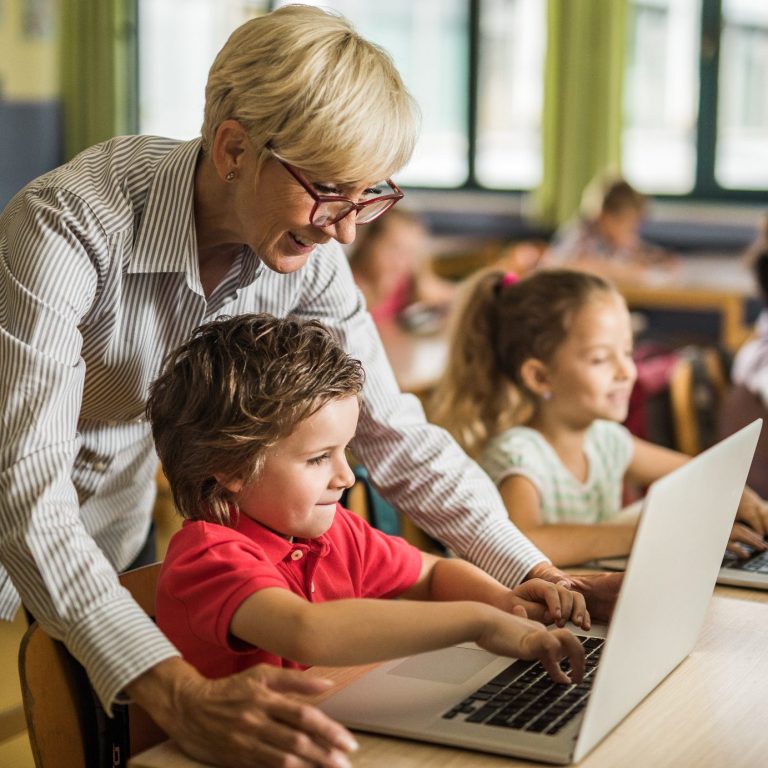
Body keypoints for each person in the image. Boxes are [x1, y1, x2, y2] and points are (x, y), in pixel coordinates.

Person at [0, 6, 617, 766]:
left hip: (117, 516)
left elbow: (394, 432)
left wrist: (534, 575)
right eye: (329, 190)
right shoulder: (67, 225)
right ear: (233, 148)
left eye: (369, 196)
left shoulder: (306, 249)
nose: (349, 231)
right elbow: (26, 487)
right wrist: (173, 689)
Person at [149, 313, 587, 684]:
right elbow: (309, 632)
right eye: (319, 458)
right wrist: (481, 621)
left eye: (346, 450)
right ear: (230, 468)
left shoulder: (335, 531)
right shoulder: (208, 557)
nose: (345, 476)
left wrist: (505, 604)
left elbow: (432, 575)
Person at [429, 268, 768, 567]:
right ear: (540, 377)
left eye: (626, 352)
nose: (627, 371)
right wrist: (644, 534)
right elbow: (526, 540)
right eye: (600, 359)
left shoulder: (605, 439)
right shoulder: (518, 454)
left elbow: (698, 475)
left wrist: (741, 496)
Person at [547, 172, 676, 283]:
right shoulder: (581, 235)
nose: (631, 232)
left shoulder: (611, 240)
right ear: (606, 217)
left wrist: (654, 259)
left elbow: (638, 254)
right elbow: (562, 268)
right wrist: (621, 271)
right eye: (628, 226)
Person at [348, 207, 455, 327]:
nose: (400, 262)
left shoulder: (404, 283)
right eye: (393, 248)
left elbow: (456, 298)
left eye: (410, 252)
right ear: (367, 242)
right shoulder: (346, 285)